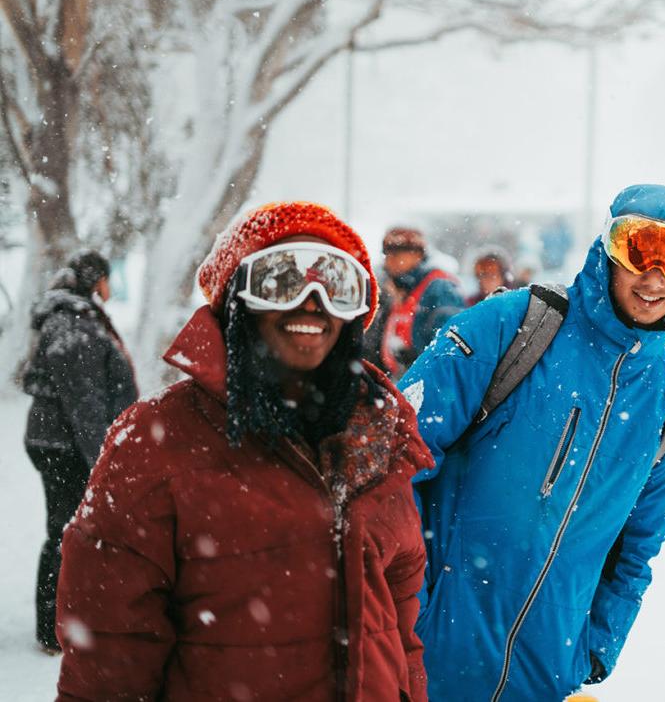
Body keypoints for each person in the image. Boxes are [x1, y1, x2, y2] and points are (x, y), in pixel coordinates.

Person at [55, 201, 434, 700]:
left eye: (336, 284)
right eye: (279, 280)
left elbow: (401, 617)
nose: (312, 302)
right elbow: (109, 653)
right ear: (236, 299)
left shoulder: (379, 437)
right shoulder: (156, 440)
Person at [402, 184, 665, 700]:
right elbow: (395, 463)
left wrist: (595, 646)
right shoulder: (513, 326)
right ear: (607, 251)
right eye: (639, 249)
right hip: (424, 662)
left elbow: (639, 547)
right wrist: (408, 607)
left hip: (542, 677)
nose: (655, 277)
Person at [20, 249, 137, 655]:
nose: (109, 286)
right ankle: (53, 629)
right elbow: (83, 402)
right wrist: (103, 458)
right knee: (65, 532)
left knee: (69, 530)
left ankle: (65, 620)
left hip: (61, 441)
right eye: (106, 277)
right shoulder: (75, 325)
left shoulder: (75, 318)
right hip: (64, 445)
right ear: (95, 281)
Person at [363, 225, 465, 379]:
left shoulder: (440, 288)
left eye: (396, 254)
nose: (388, 262)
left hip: (427, 385)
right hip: (399, 380)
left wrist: (416, 357)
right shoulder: (397, 289)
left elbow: (452, 348)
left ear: (417, 255)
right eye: (386, 254)